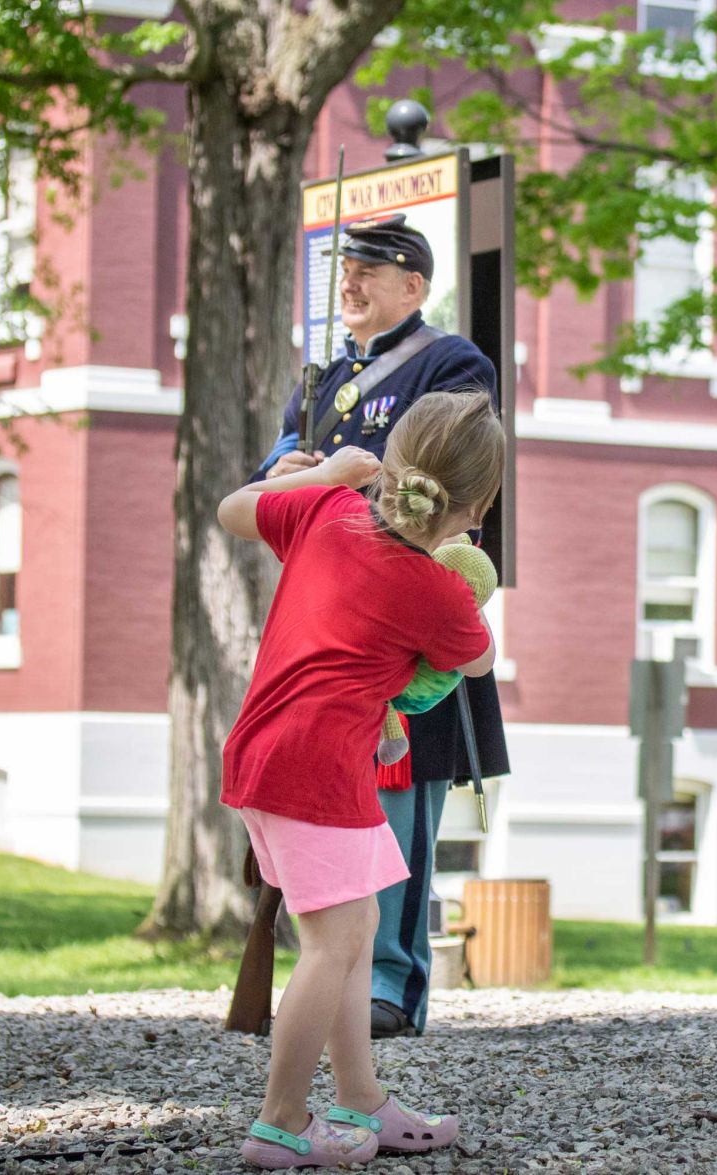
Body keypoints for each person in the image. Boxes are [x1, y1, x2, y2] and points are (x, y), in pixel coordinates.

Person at [220, 390, 505, 1168]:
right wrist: (461, 571)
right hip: (315, 769)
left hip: (267, 753)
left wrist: (320, 477)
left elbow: (233, 509)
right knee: (333, 941)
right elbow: (475, 657)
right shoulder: (437, 590)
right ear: (474, 508)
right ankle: (278, 1122)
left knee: (354, 932)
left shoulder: (324, 512)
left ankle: (361, 1098)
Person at [257, 213, 510, 1040]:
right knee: (334, 817)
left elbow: (451, 471)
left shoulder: (448, 363)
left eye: (370, 271)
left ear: (414, 285)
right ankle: (329, 971)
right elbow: (278, 473)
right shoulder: (326, 376)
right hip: (334, 615)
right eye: (347, 270)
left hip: (405, 616)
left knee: (396, 819)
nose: (351, 284)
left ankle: (390, 987)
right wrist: (287, 474)